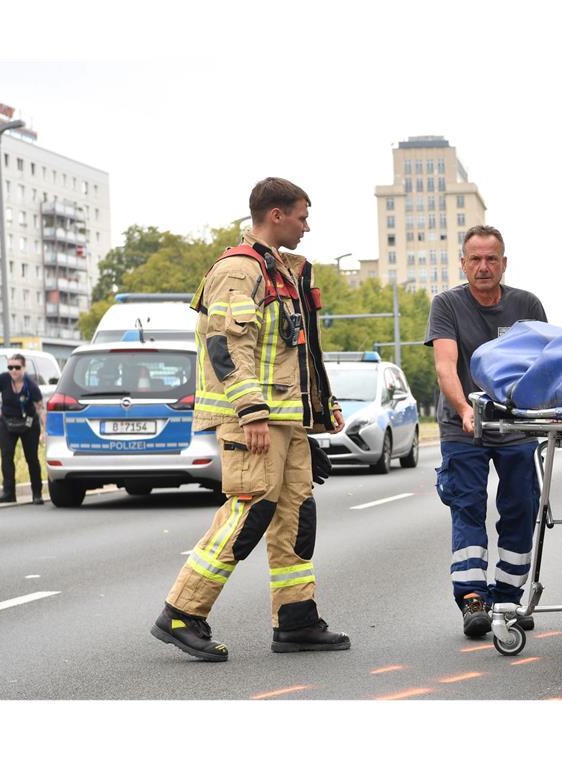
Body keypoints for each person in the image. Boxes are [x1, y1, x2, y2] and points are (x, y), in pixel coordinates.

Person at [151, 177, 349, 662]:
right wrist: (252, 412)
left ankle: (296, 619)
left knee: (295, 517)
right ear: (275, 214)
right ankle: (181, 612)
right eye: (302, 215)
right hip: (253, 420)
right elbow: (226, 346)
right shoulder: (240, 270)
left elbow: (293, 353)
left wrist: (321, 409)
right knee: (248, 513)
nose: (307, 225)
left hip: (285, 420)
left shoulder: (283, 269)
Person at [425, 225, 548, 637]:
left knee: (520, 508)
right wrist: (463, 409)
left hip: (516, 426)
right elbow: (446, 364)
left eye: (490, 259)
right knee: (468, 507)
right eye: (474, 259)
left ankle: (510, 598)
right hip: (464, 428)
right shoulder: (446, 305)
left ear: (503, 263)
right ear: (463, 263)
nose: (482, 267)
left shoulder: (526, 304)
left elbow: (540, 364)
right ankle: (473, 600)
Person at [0, 354, 45, 505]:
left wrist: (45, 431)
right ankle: (9, 492)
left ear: (24, 368)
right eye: (10, 367)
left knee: (31, 458)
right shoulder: (3, 379)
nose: (13, 370)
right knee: (6, 456)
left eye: (17, 367)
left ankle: (37, 493)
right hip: (7, 422)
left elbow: (40, 409)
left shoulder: (31, 386)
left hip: (28, 425)